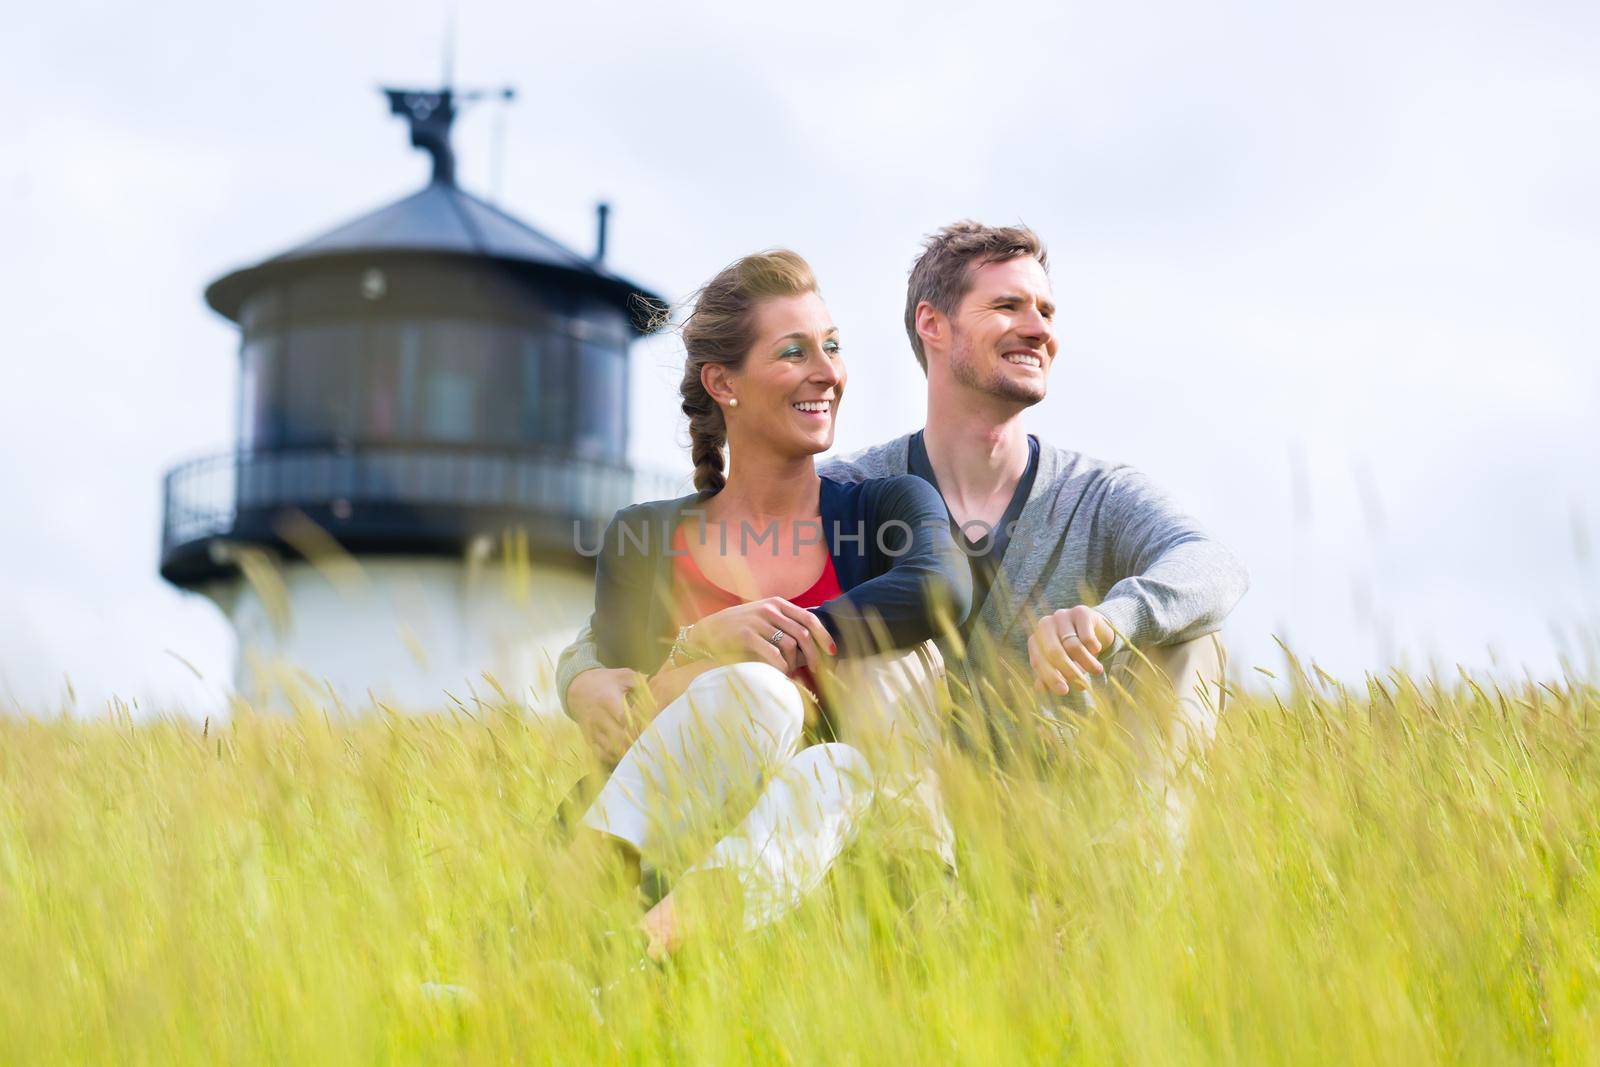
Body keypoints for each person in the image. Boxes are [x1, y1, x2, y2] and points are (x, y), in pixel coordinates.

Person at [560, 221, 1249, 830]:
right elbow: (633, 624)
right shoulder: (858, 491)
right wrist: (582, 676)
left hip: (1067, 806)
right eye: (1008, 305)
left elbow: (1214, 565)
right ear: (934, 324)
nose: (1040, 328)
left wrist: (1115, 618)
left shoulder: (1095, 496)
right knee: (873, 646)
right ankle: (916, 885)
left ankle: (1126, 906)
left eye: (1045, 309)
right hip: (904, 793)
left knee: (1196, 638)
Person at [566, 249, 972, 959]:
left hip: (810, 849)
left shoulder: (886, 510)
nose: (828, 371)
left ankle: (630, 960)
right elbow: (625, 722)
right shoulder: (643, 536)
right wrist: (707, 644)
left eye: (832, 347)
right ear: (725, 383)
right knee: (761, 699)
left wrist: (791, 634)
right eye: (794, 352)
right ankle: (564, 930)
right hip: (645, 848)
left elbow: (944, 586)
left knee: (834, 766)